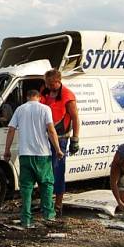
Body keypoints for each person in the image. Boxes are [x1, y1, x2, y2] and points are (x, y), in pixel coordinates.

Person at [3, 89, 64, 228]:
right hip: (43, 154)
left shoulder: (19, 109)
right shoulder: (45, 109)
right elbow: (51, 130)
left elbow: (11, 130)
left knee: (26, 187)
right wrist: (58, 149)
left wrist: (7, 150)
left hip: (25, 154)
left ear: (27, 97)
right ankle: (48, 215)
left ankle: (26, 219)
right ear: (39, 97)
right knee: (47, 184)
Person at [39, 68, 80, 218]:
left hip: (61, 137)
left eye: (51, 84)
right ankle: (47, 201)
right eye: (47, 83)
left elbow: (75, 118)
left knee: (58, 169)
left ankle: (58, 204)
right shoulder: (45, 92)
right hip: (45, 136)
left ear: (58, 81)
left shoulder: (67, 96)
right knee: (45, 170)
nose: (48, 86)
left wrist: (75, 139)